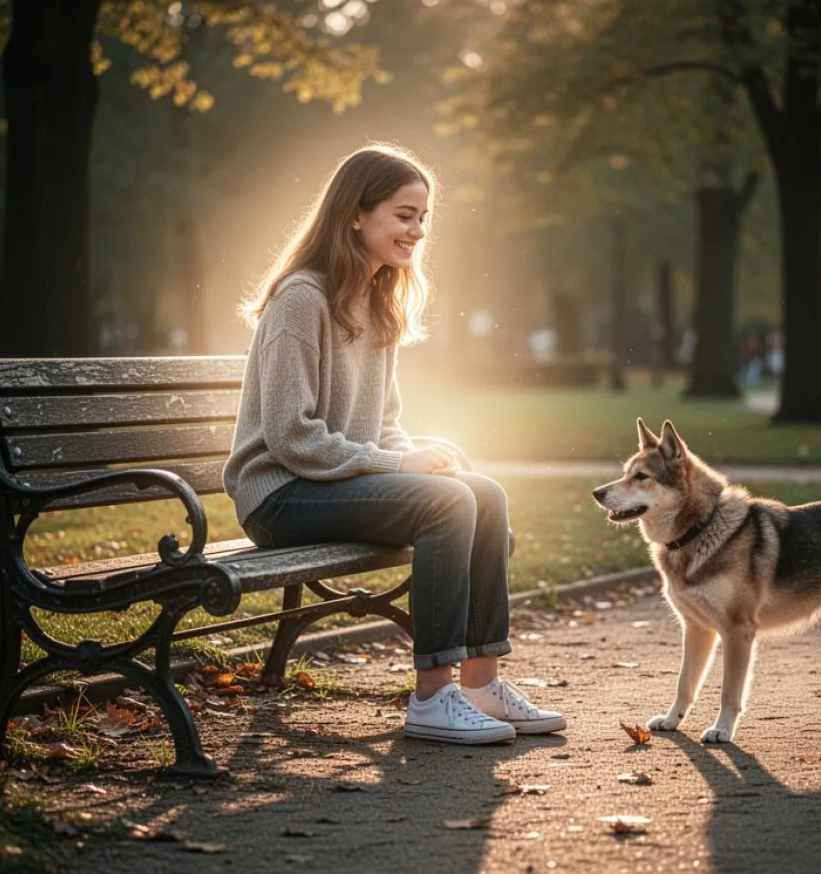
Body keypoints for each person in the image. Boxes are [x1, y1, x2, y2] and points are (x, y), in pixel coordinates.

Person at [224, 144, 566, 745]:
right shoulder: (302, 298)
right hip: (279, 496)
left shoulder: (379, 301)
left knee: (480, 492)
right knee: (446, 503)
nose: (417, 230)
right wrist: (397, 463)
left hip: (330, 484)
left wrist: (419, 454)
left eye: (423, 218)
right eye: (404, 215)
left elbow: (383, 428)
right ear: (356, 214)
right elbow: (289, 434)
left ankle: (483, 685)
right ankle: (433, 698)